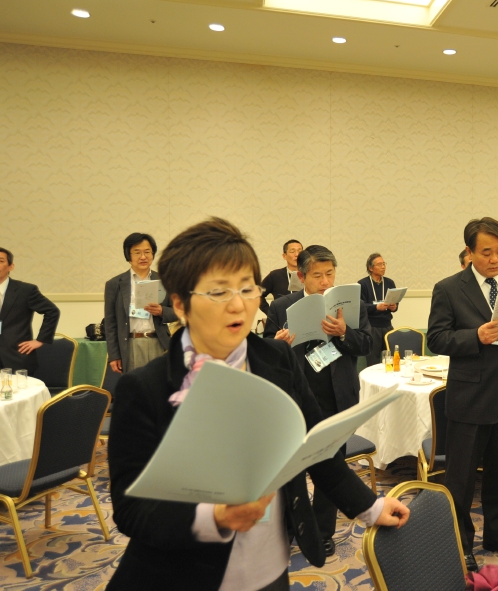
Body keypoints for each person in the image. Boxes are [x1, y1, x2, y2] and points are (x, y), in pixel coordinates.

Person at [107, 218, 407, 591]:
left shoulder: (277, 359)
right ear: (180, 304)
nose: (238, 305)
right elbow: (131, 509)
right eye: (219, 292)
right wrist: (214, 517)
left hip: (269, 564)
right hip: (183, 574)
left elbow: (318, 447)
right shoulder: (145, 388)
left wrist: (370, 506)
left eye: (247, 289)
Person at [427, 217, 498, 573]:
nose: (495, 259)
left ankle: (497, 535)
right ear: (470, 252)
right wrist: (475, 336)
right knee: (460, 478)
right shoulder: (449, 289)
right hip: (472, 396)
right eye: (487, 252)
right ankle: (460, 543)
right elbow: (436, 338)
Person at [264, 245, 373, 557]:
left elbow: (366, 344)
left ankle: (323, 531)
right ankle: (290, 528)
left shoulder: (351, 305)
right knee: (290, 470)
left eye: (330, 274)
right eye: (317, 275)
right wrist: (277, 345)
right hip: (296, 401)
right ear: (301, 277)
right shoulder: (281, 307)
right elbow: (265, 355)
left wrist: (344, 332)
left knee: (332, 467)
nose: (325, 281)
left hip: (337, 398)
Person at [104, 233, 178, 374]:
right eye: (137, 252)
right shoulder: (115, 284)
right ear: (128, 255)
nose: (143, 257)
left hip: (159, 342)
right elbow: (110, 323)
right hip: (131, 343)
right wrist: (114, 355)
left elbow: (179, 311)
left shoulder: (165, 280)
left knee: (160, 384)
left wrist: (162, 311)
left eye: (147, 252)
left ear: (153, 254)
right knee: (135, 385)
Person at [0, 247, 60, 373]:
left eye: (0, 261)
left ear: (11, 266)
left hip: (16, 356)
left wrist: (41, 340)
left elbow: (52, 311)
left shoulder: (25, 290)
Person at [359, 253, 398, 367]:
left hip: (387, 326)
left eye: (384, 264)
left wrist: (394, 307)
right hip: (372, 327)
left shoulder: (389, 282)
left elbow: (395, 301)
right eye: (380, 264)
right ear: (371, 268)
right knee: (373, 361)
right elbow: (361, 306)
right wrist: (376, 307)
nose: (383, 267)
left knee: (391, 359)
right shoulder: (363, 284)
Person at [259, 240, 303, 316]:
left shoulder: (309, 275)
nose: (297, 254)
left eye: (300, 251)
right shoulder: (275, 275)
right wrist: (270, 313)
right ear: (284, 256)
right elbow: (258, 295)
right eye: (292, 251)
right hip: (282, 319)